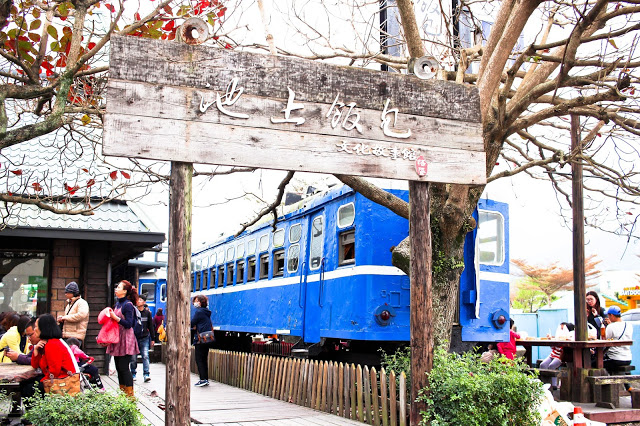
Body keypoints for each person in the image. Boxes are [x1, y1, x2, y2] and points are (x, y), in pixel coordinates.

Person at [106, 280, 139, 398]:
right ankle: (122, 394)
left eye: (119, 287)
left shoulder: (128, 305)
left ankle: (130, 395)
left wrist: (116, 318)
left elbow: (129, 324)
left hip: (126, 338)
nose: (116, 289)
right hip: (117, 338)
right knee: (119, 368)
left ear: (125, 291)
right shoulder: (118, 304)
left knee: (124, 368)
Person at [30, 314, 79, 394]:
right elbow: (35, 365)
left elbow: (54, 372)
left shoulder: (52, 344)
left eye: (36, 327)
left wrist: (43, 382)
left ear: (43, 328)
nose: (34, 329)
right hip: (57, 379)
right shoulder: (45, 343)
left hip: (63, 382)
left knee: (28, 388)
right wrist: (36, 351)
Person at [540, 322, 575, 389]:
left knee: (552, 365)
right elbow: (553, 348)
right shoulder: (557, 337)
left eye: (563, 328)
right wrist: (551, 340)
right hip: (553, 354)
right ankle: (544, 383)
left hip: (561, 356)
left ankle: (554, 385)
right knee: (543, 365)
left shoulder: (570, 337)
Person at [603, 306, 633, 381]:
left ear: (612, 315)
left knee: (595, 363)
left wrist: (608, 326)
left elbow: (605, 341)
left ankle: (607, 384)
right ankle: (628, 386)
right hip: (628, 358)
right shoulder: (628, 325)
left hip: (614, 359)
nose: (608, 317)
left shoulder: (610, 326)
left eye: (608, 316)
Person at [130, 293, 155, 383]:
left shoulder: (147, 313)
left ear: (144, 302)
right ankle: (133, 373)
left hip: (144, 337)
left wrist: (153, 338)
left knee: (145, 355)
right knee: (133, 358)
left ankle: (146, 374)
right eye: (137, 300)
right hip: (134, 337)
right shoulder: (133, 312)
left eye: (140, 300)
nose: (138, 301)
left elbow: (151, 326)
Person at [57, 281, 90, 348]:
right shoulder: (69, 303)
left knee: (73, 352)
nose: (65, 294)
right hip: (67, 334)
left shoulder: (82, 303)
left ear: (73, 293)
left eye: (67, 292)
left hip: (76, 335)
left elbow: (81, 315)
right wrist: (62, 319)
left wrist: (65, 318)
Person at [191, 294, 214, 387]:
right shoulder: (206, 311)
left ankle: (202, 379)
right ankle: (205, 379)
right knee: (204, 359)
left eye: (197, 301)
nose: (195, 303)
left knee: (199, 359)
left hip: (200, 339)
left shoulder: (199, 312)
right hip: (207, 338)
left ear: (200, 302)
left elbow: (192, 323)